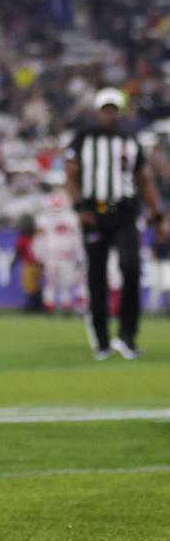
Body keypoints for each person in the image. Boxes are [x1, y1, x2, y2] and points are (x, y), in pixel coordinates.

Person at [64, 88, 165, 359]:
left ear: (119, 112)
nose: (109, 114)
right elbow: (71, 177)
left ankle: (127, 336)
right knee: (96, 276)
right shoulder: (83, 139)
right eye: (105, 109)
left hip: (124, 212)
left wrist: (157, 216)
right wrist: (79, 208)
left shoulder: (130, 141)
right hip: (94, 213)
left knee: (131, 268)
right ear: (97, 111)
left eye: (113, 110)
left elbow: (145, 180)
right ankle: (101, 339)